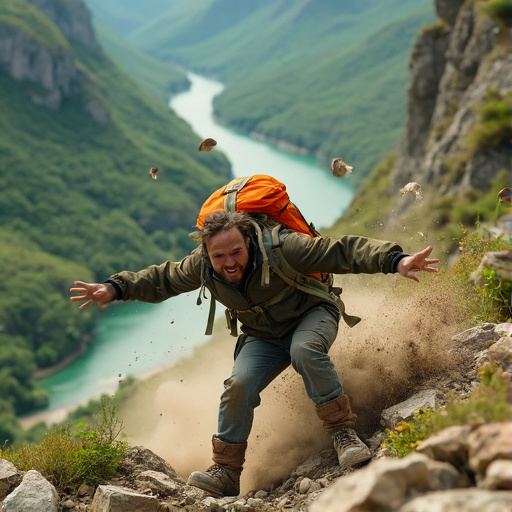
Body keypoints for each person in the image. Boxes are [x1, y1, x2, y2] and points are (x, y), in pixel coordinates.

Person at [70, 210, 439, 498]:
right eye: (219, 256)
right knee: (238, 384)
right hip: (262, 335)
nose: (229, 262)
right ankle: (227, 473)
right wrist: (114, 288)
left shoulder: (283, 247)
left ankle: (344, 434)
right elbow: (162, 278)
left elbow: (340, 251)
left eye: (235, 252)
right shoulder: (201, 265)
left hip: (312, 315)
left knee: (305, 350)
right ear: (206, 254)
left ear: (248, 241)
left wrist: (396, 260)